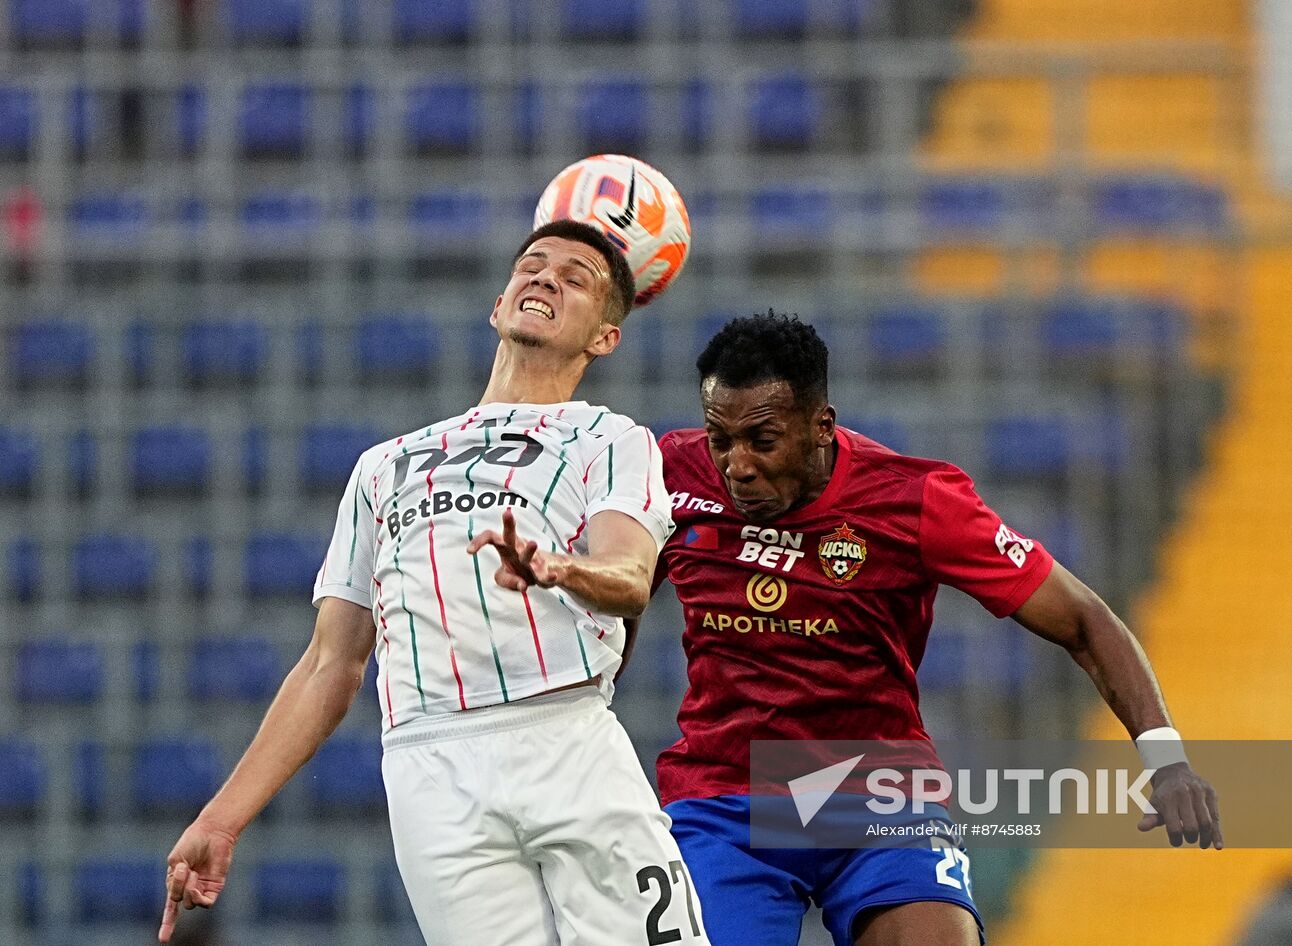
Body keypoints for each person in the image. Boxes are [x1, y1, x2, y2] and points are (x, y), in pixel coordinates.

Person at [159, 220, 710, 946]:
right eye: (533, 267)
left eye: (575, 278)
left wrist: (557, 568)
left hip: (565, 738)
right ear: (498, 303)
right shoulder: (383, 465)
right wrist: (221, 818)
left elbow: (631, 575)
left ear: (604, 338)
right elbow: (331, 662)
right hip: (429, 766)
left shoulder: (610, 438)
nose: (545, 279)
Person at [631, 312, 1222, 946]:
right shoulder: (669, 473)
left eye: (762, 440)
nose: (736, 466)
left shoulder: (914, 500)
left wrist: (1166, 760)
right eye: (720, 439)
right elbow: (615, 595)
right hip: (724, 798)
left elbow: (1084, 620)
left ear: (821, 426)